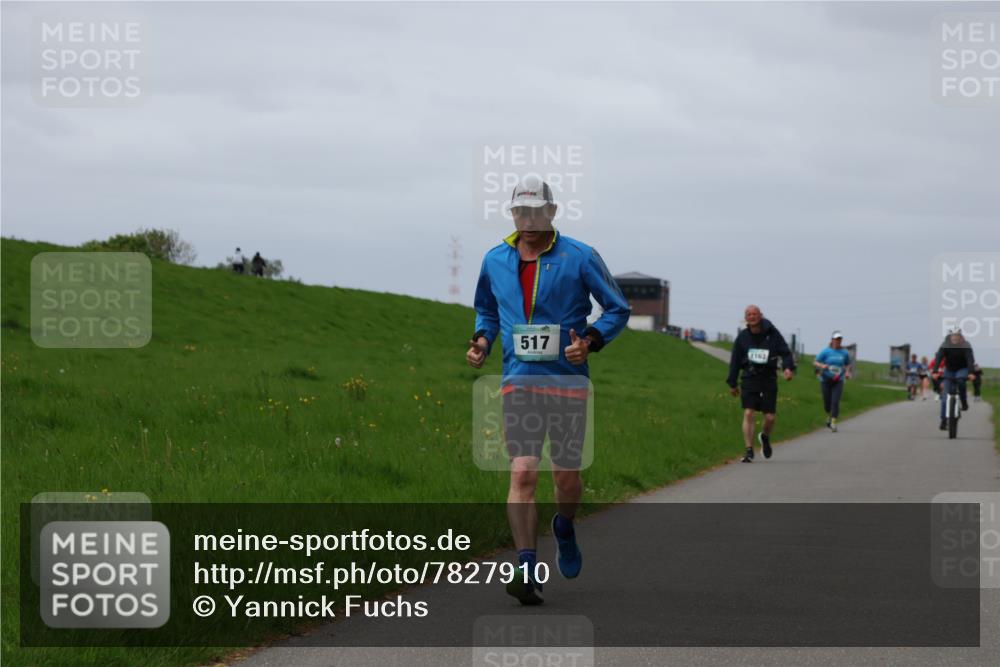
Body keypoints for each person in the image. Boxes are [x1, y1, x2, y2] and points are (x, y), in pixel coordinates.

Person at [467, 175, 630, 605]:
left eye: (537, 211)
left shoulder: (580, 256)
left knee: (566, 478)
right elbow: (487, 309)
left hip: (567, 382)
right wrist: (483, 340)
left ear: (552, 212)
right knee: (522, 471)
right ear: (513, 214)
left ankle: (564, 525)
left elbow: (617, 307)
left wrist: (590, 340)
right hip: (518, 381)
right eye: (520, 212)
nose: (528, 220)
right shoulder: (494, 259)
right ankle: (526, 568)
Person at [726, 305, 796, 462]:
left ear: (761, 315)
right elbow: (735, 361)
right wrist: (732, 383)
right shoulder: (742, 338)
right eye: (749, 314)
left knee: (770, 417)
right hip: (750, 378)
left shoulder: (772, 333)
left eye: (754, 314)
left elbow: (785, 352)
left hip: (768, 378)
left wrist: (788, 368)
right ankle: (749, 450)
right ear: (746, 318)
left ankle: (764, 437)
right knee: (748, 412)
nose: (752, 317)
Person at [933, 329, 977, 430]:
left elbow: (970, 359)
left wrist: (971, 372)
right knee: (944, 398)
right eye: (953, 335)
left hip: (963, 369)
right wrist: (935, 371)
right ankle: (944, 420)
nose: (955, 337)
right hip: (949, 370)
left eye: (957, 335)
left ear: (960, 336)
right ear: (950, 336)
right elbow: (939, 358)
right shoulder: (945, 344)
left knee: (961, 381)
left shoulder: (966, 345)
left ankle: (964, 401)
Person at [814, 331, 853, 430]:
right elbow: (815, 362)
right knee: (827, 403)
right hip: (826, 379)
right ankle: (829, 415)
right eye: (836, 339)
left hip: (838, 380)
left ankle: (833, 422)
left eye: (840, 339)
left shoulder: (844, 353)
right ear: (832, 340)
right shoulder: (826, 351)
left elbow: (848, 364)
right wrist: (822, 365)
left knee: (835, 401)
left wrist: (847, 372)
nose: (838, 341)